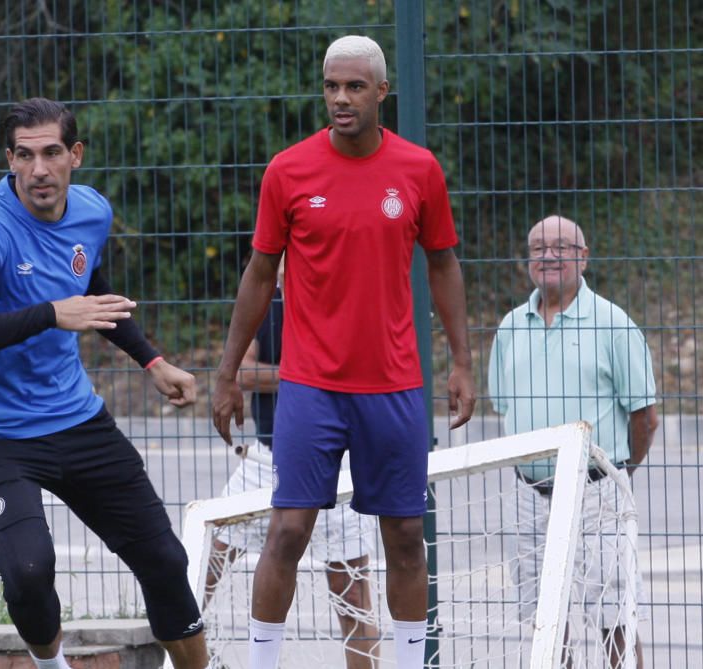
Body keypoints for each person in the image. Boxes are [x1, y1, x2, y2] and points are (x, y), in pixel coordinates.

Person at [211, 35, 476, 669]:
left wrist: (463, 362)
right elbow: (257, 272)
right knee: (288, 532)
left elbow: (443, 264)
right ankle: (262, 663)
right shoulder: (289, 170)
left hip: (393, 387)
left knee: (406, 537)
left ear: (382, 92)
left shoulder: (418, 169)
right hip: (312, 387)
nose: (340, 99)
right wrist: (226, 373)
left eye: (355, 87)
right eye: (331, 86)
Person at [0, 97, 208, 669]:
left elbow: (89, 284)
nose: (39, 170)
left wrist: (153, 362)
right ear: (9, 160)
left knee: (164, 559)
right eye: (24, 156)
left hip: (75, 420)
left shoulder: (91, 212)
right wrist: (52, 313)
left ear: (74, 155)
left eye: (52, 153)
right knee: (29, 573)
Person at [487, 215, 658, 668]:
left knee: (614, 614)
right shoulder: (509, 329)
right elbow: (505, 408)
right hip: (530, 497)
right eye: (539, 247)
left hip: (596, 493)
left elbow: (646, 418)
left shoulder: (614, 324)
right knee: (546, 618)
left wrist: (616, 473)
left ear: (584, 258)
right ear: (528, 260)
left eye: (562, 246)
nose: (549, 255)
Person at [205, 256, 382, 668]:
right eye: (283, 268)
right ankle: (183, 650)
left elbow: (360, 371)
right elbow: (244, 373)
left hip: (342, 464)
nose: (289, 275)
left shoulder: (352, 306)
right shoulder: (266, 305)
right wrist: (304, 375)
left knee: (352, 592)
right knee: (208, 562)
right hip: (266, 457)